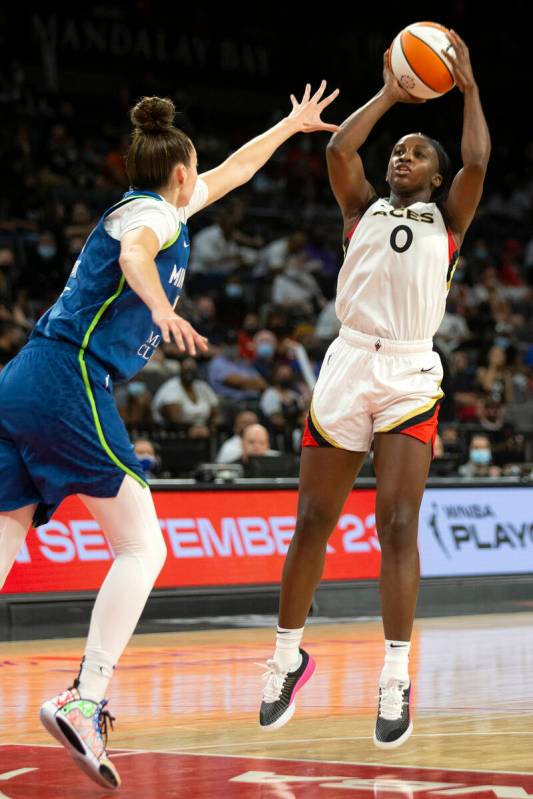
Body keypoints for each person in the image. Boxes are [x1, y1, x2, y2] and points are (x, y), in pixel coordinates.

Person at [0, 82, 339, 789]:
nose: (203, 178)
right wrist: (161, 308)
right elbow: (135, 260)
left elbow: (240, 168)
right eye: (197, 171)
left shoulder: (163, 200)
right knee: (143, 545)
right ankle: (84, 698)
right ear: (180, 173)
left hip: (25, 377)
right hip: (68, 375)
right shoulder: (147, 216)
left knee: (6, 531)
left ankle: (85, 697)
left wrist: (289, 124)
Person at [258, 31, 490, 750]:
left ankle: (394, 674)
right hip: (348, 363)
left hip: (409, 375)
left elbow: (477, 157)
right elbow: (337, 151)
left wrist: (469, 87)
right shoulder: (358, 207)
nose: (402, 154)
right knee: (310, 523)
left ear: (434, 176)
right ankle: (284, 656)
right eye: (400, 148)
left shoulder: (447, 219)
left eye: (417, 151)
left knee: (396, 523)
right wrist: (392, 93)